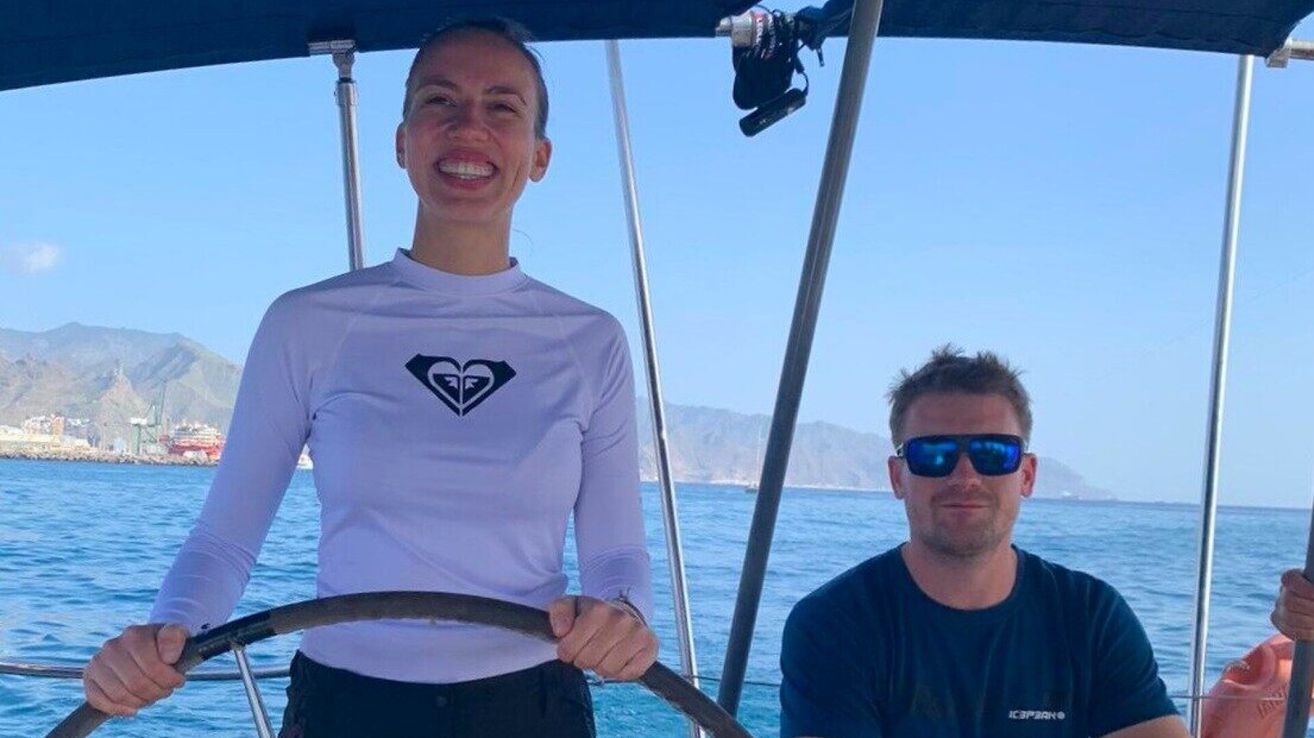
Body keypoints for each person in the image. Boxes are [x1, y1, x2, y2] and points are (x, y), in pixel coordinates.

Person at [81, 18, 657, 738]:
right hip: (343, 707)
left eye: (502, 107)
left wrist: (623, 616)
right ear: (402, 142)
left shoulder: (591, 341)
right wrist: (165, 634)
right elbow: (224, 540)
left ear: (539, 156)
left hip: (531, 707)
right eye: (439, 101)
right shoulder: (307, 323)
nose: (468, 127)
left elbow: (614, 554)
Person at [779, 345, 1189, 738]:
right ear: (897, 477)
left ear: (1026, 475)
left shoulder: (1091, 617)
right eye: (933, 453)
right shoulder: (834, 623)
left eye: (993, 453)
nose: (965, 476)